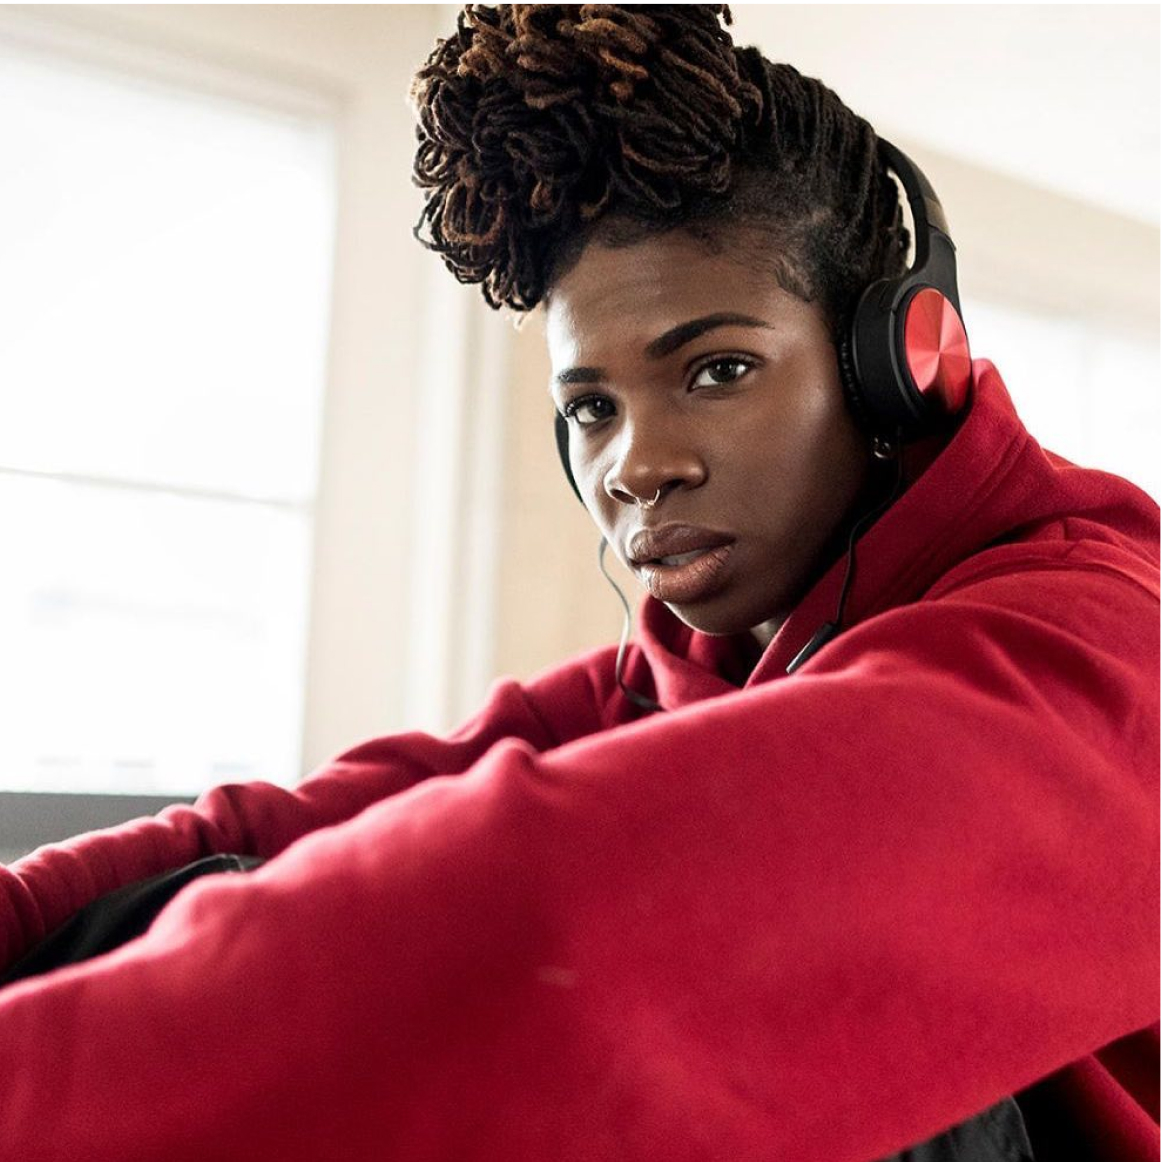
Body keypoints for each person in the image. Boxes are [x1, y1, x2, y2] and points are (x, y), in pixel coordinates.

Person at [0, 6, 1156, 1160]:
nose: (637, 466)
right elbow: (314, 822)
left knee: (743, 1005)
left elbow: (561, 911)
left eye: (717, 368)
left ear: (903, 364)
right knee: (223, 889)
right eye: (591, 407)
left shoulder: (1096, 644)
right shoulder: (698, 660)